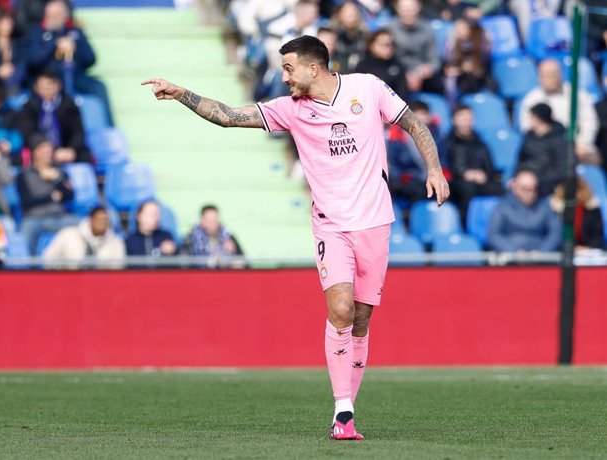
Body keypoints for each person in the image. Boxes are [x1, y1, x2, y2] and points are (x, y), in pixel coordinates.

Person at [142, 34, 449, 440]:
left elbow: (412, 122)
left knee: (361, 318)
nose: (284, 77)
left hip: (375, 221)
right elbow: (230, 116)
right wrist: (182, 93)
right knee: (340, 309)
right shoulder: (291, 110)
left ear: (312, 67)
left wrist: (434, 168)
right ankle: (342, 412)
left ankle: (349, 407)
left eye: (288, 69)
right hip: (331, 224)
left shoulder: (368, 88)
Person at [26, 0, 113, 125]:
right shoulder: (38, 33)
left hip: (75, 77)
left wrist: (75, 47)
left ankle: (109, 129)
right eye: (50, 15)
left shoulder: (75, 32)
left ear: (65, 15)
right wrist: (54, 44)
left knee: (99, 87)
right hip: (49, 78)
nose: (52, 19)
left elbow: (91, 59)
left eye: (56, 15)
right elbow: (33, 61)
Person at [519, 58, 600, 166]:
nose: (550, 78)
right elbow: (528, 129)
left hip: (577, 147)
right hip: (546, 151)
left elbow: (590, 121)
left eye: (554, 74)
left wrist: (583, 144)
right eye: (546, 75)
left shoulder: (576, 94)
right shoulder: (531, 100)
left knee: (594, 160)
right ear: (539, 76)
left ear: (560, 74)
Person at [16, 133, 78, 253]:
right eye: (44, 150)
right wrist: (51, 197)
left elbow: (70, 196)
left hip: (59, 217)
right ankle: (30, 269)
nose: (48, 153)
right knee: (26, 234)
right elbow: (27, 201)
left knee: (84, 225)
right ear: (35, 152)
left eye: (50, 149)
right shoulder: (23, 175)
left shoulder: (60, 173)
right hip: (34, 218)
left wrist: (57, 178)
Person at [18, 72, 92, 164]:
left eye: (50, 87)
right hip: (41, 148)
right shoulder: (29, 107)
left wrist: (71, 150)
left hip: (66, 148)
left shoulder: (69, 105)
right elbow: (28, 132)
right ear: (36, 88)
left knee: (85, 157)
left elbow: (78, 132)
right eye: (43, 88)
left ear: (58, 86)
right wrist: (47, 150)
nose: (47, 91)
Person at [447, 105, 503, 223]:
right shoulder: (447, 142)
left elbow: (489, 166)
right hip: (456, 182)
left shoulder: (480, 143)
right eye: (462, 119)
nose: (466, 123)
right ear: (454, 120)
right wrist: (464, 174)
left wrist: (484, 175)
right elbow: (447, 165)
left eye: (469, 119)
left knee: (499, 190)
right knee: (467, 189)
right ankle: (467, 225)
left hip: (480, 181)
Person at [488, 169, 561, 254]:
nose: (530, 193)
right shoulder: (503, 206)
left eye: (533, 189)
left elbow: (555, 233)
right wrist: (514, 252)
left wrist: (542, 252)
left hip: (540, 258)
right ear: (514, 187)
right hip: (510, 258)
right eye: (525, 189)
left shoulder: (545, 206)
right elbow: (493, 235)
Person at [387, 100, 447, 204]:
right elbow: (393, 165)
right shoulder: (396, 138)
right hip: (409, 180)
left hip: (430, 177)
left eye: (424, 114)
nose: (422, 118)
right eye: (418, 114)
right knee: (418, 190)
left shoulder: (437, 136)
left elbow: (444, 159)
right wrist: (404, 178)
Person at [42, 205, 125, 269]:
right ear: (90, 220)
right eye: (99, 219)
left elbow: (118, 268)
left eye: (105, 220)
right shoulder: (67, 234)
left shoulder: (116, 242)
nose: (103, 223)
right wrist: (64, 269)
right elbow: (48, 258)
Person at [387, 0, 442, 94]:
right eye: (404, 9)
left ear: (418, 8)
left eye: (411, 8)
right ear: (397, 9)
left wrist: (426, 70)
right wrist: (405, 73)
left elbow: (434, 61)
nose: (408, 12)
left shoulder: (427, 29)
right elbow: (387, 59)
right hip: (397, 72)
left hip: (421, 74)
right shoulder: (389, 30)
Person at [516, 103, 567, 197]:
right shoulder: (529, 137)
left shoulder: (559, 140)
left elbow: (561, 170)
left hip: (548, 185)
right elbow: (520, 160)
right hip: (526, 179)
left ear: (538, 118)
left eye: (531, 117)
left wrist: (537, 179)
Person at [443, 18, 490, 105]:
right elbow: (449, 65)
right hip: (460, 80)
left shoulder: (479, 42)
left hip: (479, 79)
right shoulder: (453, 43)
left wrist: (462, 69)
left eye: (463, 28)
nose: (460, 32)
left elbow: (480, 67)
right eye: (457, 30)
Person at [352, 29, 409, 101]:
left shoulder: (398, 66)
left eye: (391, 44)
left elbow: (402, 95)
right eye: (384, 45)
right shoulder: (363, 66)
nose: (388, 48)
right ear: (371, 46)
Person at [550, 179, 605, 253]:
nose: (575, 194)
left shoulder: (592, 210)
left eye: (578, 190)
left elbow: (598, 236)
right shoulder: (557, 211)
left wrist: (588, 249)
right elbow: (555, 235)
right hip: (563, 252)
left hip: (589, 253)